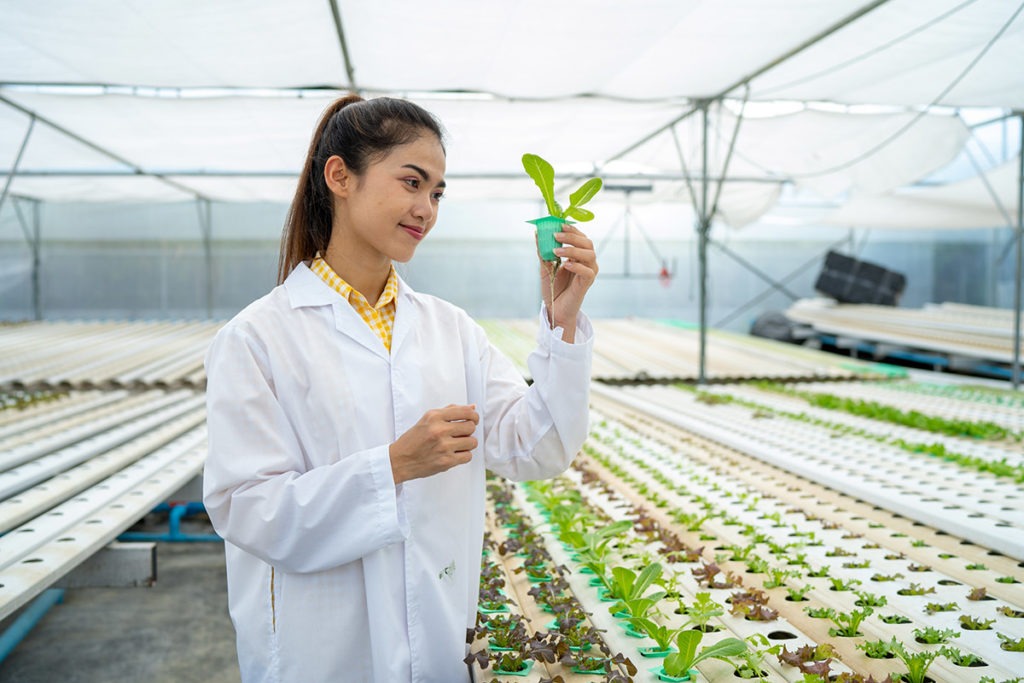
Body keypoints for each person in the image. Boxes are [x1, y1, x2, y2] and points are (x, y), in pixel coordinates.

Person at [202, 94, 598, 683]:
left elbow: (536, 448)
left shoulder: (449, 329)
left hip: (437, 640)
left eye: (437, 192)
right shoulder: (258, 337)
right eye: (412, 182)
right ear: (340, 176)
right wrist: (390, 467)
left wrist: (561, 320)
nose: (427, 208)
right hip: (321, 654)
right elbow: (248, 508)